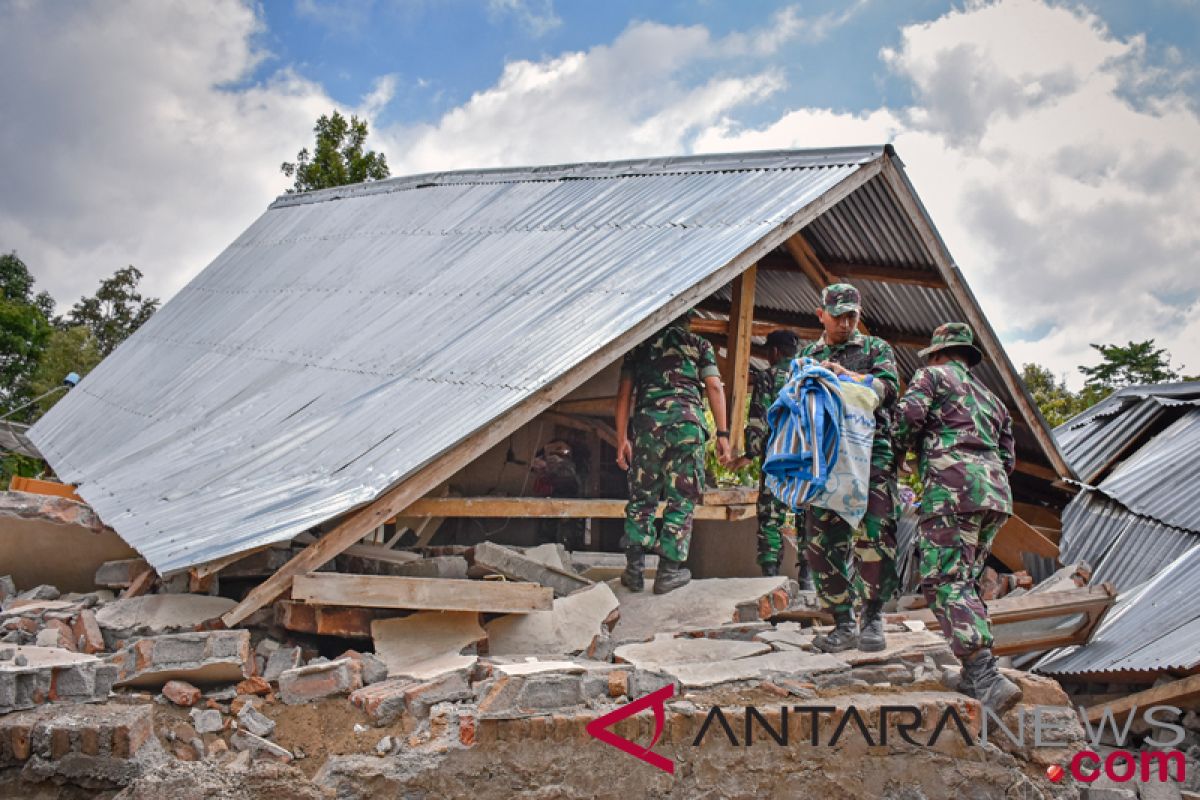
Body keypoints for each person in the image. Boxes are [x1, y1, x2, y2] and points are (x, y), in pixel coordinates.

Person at [893, 322, 1022, 714]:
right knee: (964, 580)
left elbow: (905, 421)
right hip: (994, 494)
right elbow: (1009, 459)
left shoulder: (930, 376)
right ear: (969, 356)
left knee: (944, 580)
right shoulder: (992, 399)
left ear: (937, 354)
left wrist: (894, 463)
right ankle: (976, 674)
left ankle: (984, 675)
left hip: (953, 489)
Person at [799, 283, 901, 653]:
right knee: (820, 542)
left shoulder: (876, 349)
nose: (844, 322)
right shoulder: (809, 354)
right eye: (837, 315)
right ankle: (842, 622)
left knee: (874, 536)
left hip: (871, 457)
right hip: (824, 462)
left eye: (851, 316)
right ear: (821, 314)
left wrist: (844, 376)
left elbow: (888, 389)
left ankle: (873, 617)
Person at [616, 312, 733, 594]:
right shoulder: (698, 345)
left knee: (642, 496)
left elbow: (624, 396)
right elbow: (714, 386)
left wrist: (622, 439)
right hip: (687, 428)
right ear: (688, 321)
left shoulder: (639, 347)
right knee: (682, 498)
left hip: (648, 429)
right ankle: (668, 572)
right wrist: (723, 434)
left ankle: (634, 571)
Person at [743, 329, 810, 583]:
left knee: (771, 515)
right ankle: (807, 576)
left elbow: (758, 419)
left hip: (777, 459)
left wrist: (750, 453)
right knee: (805, 513)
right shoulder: (808, 377)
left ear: (774, 352)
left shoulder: (767, 376)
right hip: (806, 459)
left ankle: (770, 577)